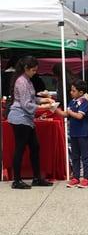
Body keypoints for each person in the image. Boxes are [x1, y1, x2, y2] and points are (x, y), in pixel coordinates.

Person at [7, 56, 54, 189]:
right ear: (26, 68)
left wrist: (44, 100)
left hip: (25, 118)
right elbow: (26, 104)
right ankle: (17, 180)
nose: (35, 72)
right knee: (21, 148)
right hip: (20, 118)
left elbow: (31, 97)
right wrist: (43, 107)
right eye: (33, 70)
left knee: (34, 147)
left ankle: (36, 178)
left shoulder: (26, 80)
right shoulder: (22, 82)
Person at [56, 79, 88, 188]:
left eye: (73, 91)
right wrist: (55, 109)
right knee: (75, 156)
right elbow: (65, 114)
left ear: (81, 92)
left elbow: (79, 116)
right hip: (74, 133)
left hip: (83, 133)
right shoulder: (72, 102)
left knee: (85, 156)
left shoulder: (84, 102)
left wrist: (70, 112)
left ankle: (86, 178)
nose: (71, 92)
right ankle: (76, 177)